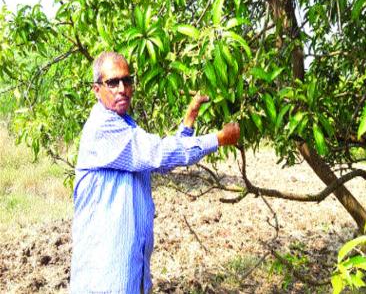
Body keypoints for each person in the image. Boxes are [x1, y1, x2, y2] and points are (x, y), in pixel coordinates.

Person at [70, 51, 240, 293]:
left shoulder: (125, 124)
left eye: (127, 81)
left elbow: (159, 161)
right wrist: (218, 139)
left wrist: (189, 120)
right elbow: (159, 153)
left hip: (130, 273)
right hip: (105, 278)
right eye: (113, 82)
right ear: (97, 89)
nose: (122, 89)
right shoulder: (103, 128)